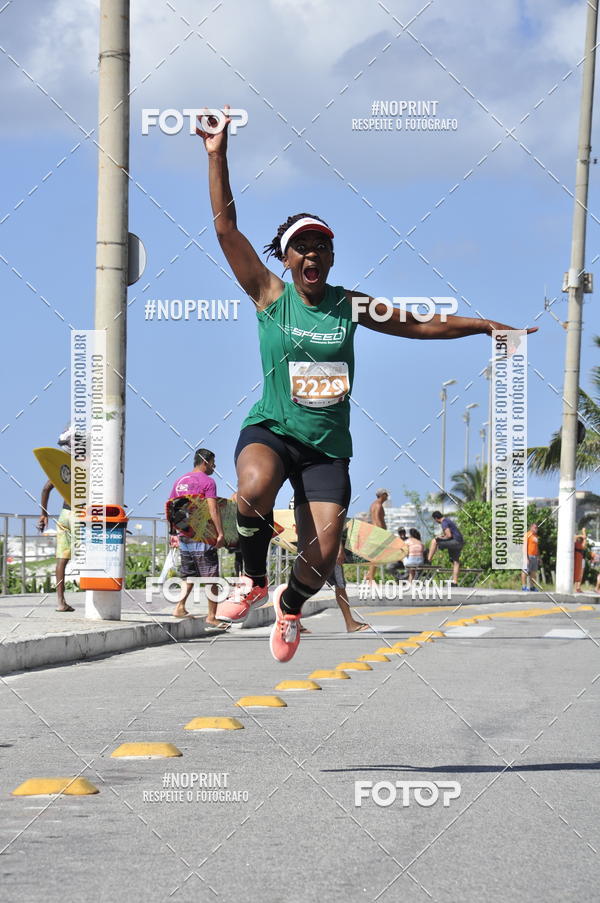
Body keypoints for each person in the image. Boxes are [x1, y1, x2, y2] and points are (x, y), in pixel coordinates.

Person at [197, 106, 536, 663]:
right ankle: (252, 577)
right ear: (284, 259)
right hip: (274, 429)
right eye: (302, 248)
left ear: (330, 257)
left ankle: (289, 603)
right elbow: (226, 229)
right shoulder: (268, 296)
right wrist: (218, 155)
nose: (312, 255)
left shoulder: (350, 305)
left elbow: (418, 322)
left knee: (323, 555)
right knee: (253, 489)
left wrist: (483, 325)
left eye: (321, 248)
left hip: (327, 447)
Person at [168, 449, 228, 626]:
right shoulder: (208, 481)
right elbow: (213, 509)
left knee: (190, 574)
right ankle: (212, 617)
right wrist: (221, 533)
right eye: (213, 463)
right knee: (211, 577)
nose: (214, 467)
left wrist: (173, 534)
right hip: (202, 536)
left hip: (184, 534)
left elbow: (171, 507)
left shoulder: (180, 481)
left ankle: (179, 607)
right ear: (206, 462)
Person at [37, 427, 74, 612]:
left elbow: (46, 488)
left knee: (62, 559)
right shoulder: (89, 463)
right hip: (82, 515)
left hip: (64, 514)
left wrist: (43, 514)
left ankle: (60, 602)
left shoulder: (64, 465)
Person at [427, 511, 464, 586]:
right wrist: (442, 537)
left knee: (434, 541)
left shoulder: (444, 522)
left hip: (454, 542)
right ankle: (455, 582)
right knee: (456, 562)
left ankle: (428, 560)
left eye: (435, 520)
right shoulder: (448, 520)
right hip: (460, 542)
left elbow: (449, 535)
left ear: (436, 518)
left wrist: (439, 537)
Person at [365, 489, 389, 583]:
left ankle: (369, 575)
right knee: (376, 556)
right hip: (378, 532)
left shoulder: (373, 504)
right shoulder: (378, 506)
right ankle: (370, 576)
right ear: (383, 495)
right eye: (386, 494)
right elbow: (378, 521)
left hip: (373, 532)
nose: (387, 496)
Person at [521, 523, 540, 591]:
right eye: (535, 527)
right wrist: (526, 557)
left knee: (533, 572)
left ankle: (532, 587)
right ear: (531, 527)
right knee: (525, 571)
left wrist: (539, 557)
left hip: (534, 556)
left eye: (537, 527)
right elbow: (524, 546)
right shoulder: (527, 535)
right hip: (528, 555)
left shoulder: (536, 536)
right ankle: (523, 586)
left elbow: (537, 547)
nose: (536, 529)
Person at [573, 528, 587, 593]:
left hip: (580, 559)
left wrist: (583, 535)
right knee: (577, 573)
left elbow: (584, 538)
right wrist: (583, 533)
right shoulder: (575, 543)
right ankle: (576, 588)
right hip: (577, 559)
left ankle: (578, 587)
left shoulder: (581, 545)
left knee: (580, 574)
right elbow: (574, 537)